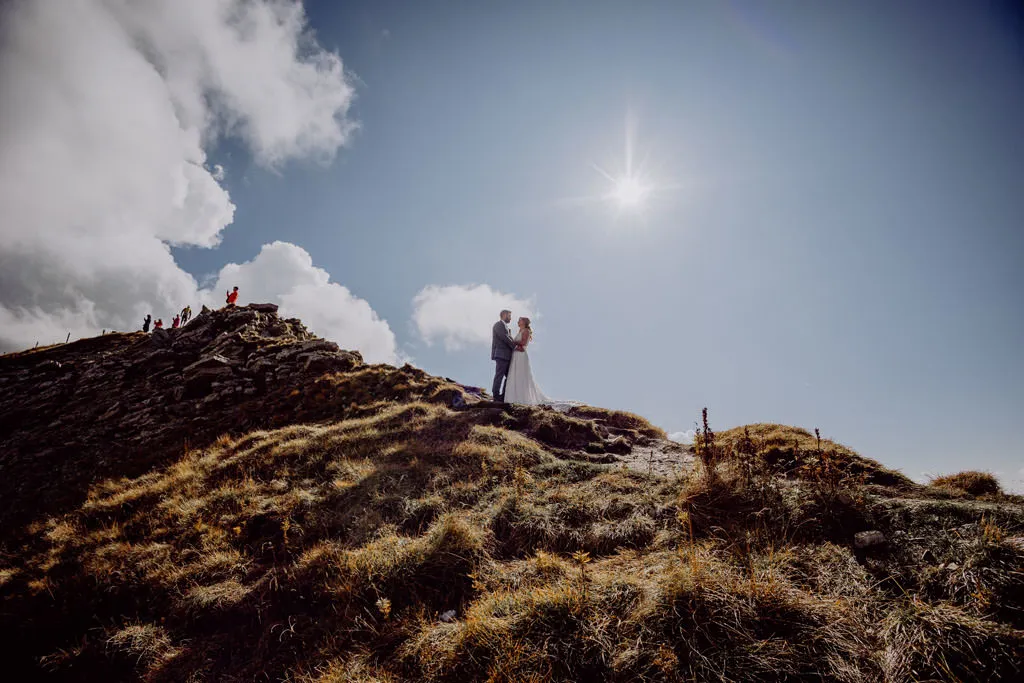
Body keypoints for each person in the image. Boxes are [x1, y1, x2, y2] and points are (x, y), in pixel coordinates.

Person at [504, 317, 550, 405]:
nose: (518, 321)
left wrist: (512, 342)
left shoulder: (526, 331)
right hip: (516, 354)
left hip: (521, 355)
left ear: (524, 322)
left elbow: (523, 343)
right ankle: (514, 397)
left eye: (519, 320)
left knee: (521, 375)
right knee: (515, 374)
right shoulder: (520, 331)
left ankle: (522, 397)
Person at [491, 309, 518, 402]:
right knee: (499, 375)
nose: (510, 318)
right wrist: (515, 346)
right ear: (504, 315)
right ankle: (496, 395)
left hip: (506, 356)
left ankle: (503, 395)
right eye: (509, 316)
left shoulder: (506, 327)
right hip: (501, 355)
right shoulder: (499, 325)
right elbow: (505, 338)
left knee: (508, 376)